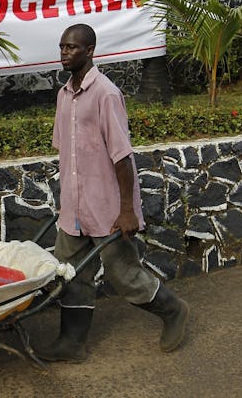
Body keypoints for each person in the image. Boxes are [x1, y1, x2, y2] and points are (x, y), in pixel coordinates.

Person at [36, 23, 190, 362]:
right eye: (62, 46)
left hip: (107, 208)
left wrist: (126, 210)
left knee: (124, 274)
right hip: (74, 209)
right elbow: (68, 153)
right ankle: (71, 343)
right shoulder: (64, 95)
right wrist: (66, 202)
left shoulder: (105, 93)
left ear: (90, 50)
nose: (65, 52)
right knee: (69, 273)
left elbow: (122, 158)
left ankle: (173, 310)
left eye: (72, 47)